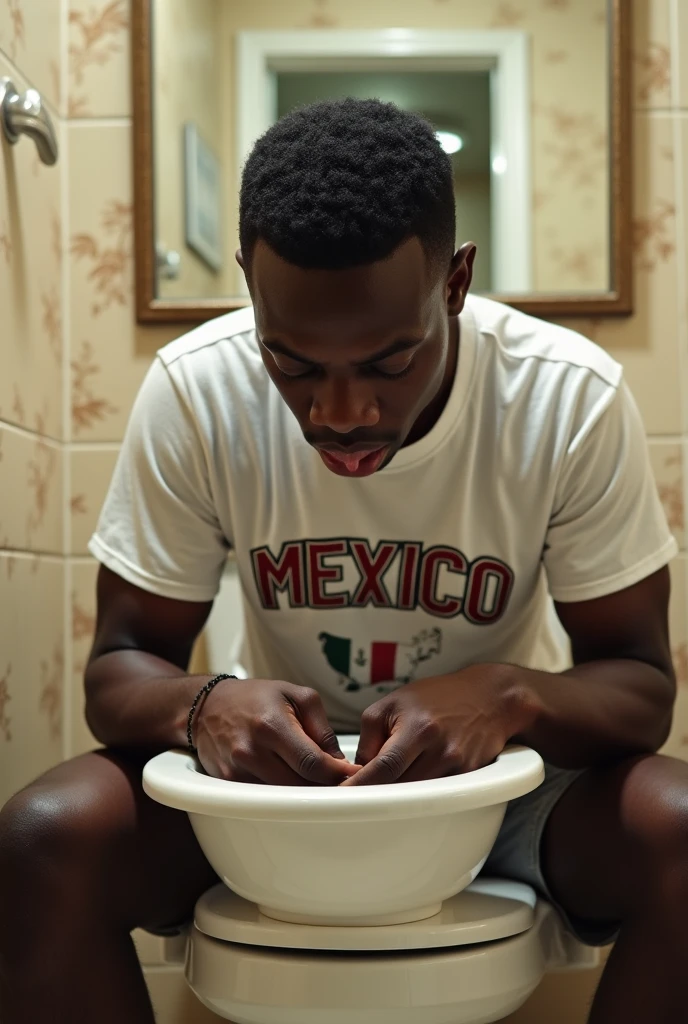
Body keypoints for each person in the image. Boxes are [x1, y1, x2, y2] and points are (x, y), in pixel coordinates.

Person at [0, 97, 684, 1024]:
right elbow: (117, 672)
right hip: (272, 801)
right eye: (294, 364)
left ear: (454, 283)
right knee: (44, 838)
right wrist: (201, 703)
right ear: (247, 282)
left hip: (493, 795)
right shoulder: (197, 391)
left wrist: (507, 694)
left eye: (389, 362)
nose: (341, 413)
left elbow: (641, 688)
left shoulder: (565, 398)